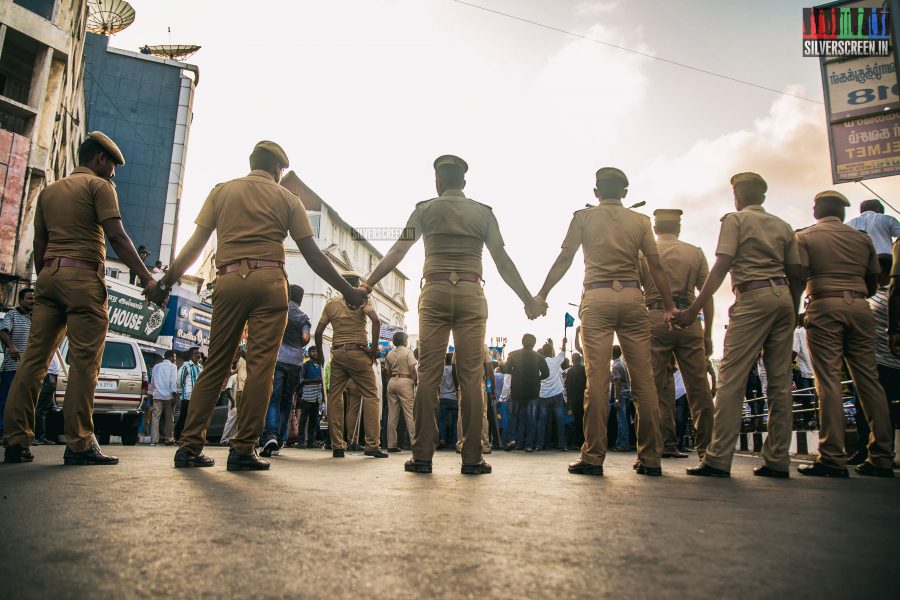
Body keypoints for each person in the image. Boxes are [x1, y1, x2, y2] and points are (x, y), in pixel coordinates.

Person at [144, 140, 368, 471]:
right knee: (263, 368)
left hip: (229, 279)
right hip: (269, 283)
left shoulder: (221, 192)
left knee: (216, 364)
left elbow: (195, 245)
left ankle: (189, 446)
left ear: (251, 163)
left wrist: (165, 282)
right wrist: (347, 292)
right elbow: (313, 254)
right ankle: (243, 449)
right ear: (278, 170)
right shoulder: (287, 198)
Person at [363, 155, 536, 475]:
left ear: (438, 182)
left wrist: (368, 283)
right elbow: (503, 261)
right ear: (464, 183)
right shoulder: (483, 213)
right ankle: (471, 457)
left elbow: (398, 250)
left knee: (428, 374)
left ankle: (422, 456)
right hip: (471, 292)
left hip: (435, 293)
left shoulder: (425, 209)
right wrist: (529, 299)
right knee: (470, 377)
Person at [4, 132, 158, 465]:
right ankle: (79, 443)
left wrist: (47, 277)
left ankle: (16, 440)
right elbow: (116, 235)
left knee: (33, 362)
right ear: (100, 159)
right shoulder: (100, 187)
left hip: (48, 277)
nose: (112, 178)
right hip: (83, 278)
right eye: (111, 170)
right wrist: (146, 277)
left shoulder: (49, 192)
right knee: (85, 364)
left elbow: (41, 244)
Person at [533, 167, 677, 477]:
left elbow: (564, 259)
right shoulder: (640, 221)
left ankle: (594, 456)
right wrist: (668, 306)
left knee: (597, 381)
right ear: (624, 193)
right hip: (632, 297)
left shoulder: (582, 218)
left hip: (597, 298)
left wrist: (543, 293)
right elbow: (655, 266)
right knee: (643, 380)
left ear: (597, 192)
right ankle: (651, 458)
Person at [677, 172, 802, 479]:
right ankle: (777, 459)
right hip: (784, 296)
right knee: (780, 381)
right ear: (763, 195)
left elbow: (722, 265)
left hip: (752, 295)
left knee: (732, 377)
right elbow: (798, 269)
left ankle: (718, 459)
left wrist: (694, 307)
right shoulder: (783, 225)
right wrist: (793, 306)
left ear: (739, 196)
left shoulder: (734, 220)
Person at [795, 191, 894, 478]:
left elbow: (799, 277)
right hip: (861, 307)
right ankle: (882, 456)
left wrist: (793, 311)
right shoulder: (861, 239)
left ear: (816, 210)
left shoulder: (807, 237)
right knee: (869, 382)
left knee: (828, 381)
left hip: (825, 304)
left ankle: (832, 456)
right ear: (842, 212)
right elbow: (873, 281)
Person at [639, 208, 716, 461]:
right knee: (699, 389)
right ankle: (708, 452)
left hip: (655, 317)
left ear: (655, 228)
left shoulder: (643, 253)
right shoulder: (694, 252)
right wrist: (707, 333)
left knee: (651, 390)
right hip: (689, 319)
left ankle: (650, 453)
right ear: (678, 228)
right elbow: (707, 295)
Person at [315, 272, 386, 459]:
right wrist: (373, 349)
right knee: (371, 395)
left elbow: (319, 331)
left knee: (334, 397)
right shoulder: (362, 301)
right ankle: (372, 444)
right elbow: (376, 321)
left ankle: (337, 445)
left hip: (337, 354)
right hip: (359, 354)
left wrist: (321, 355)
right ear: (357, 285)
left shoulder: (331, 304)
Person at [851, 254, 900, 464]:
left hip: (877, 361)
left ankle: (871, 451)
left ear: (879, 272)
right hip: (888, 360)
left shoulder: (874, 299)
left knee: (868, 408)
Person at [260, 284, 311, 456]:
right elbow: (305, 338)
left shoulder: (279, 311)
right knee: (287, 401)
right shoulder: (303, 317)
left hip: (279, 359)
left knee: (274, 398)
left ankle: (270, 435)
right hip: (296, 362)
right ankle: (281, 440)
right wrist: (298, 342)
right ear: (300, 299)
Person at [502, 335, 549, 452]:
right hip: (533, 392)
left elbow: (505, 370)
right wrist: (537, 378)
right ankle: (529, 445)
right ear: (534, 343)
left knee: (514, 416)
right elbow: (546, 373)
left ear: (522, 342)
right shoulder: (539, 357)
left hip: (517, 391)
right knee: (531, 418)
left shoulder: (513, 355)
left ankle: (512, 439)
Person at [0, 288, 35, 437]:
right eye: (29, 298)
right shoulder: (12, 315)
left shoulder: (35, 318)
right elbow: (2, 332)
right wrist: (11, 346)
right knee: (6, 400)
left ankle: (20, 432)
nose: (32, 301)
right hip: (12, 367)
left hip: (28, 368)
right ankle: (2, 430)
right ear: (20, 300)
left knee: (23, 403)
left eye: (34, 299)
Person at [385, 331, 417, 452]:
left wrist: (389, 384)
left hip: (392, 381)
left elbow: (387, 372)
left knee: (392, 416)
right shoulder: (408, 352)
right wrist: (414, 383)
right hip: (405, 380)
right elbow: (412, 370)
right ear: (404, 341)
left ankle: (391, 444)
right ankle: (415, 443)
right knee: (409, 414)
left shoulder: (390, 353)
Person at [538, 338, 569, 451]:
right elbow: (563, 353)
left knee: (542, 421)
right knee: (560, 420)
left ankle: (541, 444)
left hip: (543, 395)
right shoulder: (556, 361)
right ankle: (562, 444)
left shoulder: (539, 363)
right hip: (557, 394)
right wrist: (563, 343)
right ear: (551, 352)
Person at [149, 350, 179, 446]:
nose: (175, 359)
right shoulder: (173, 366)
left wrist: (151, 393)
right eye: (174, 357)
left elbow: (152, 381)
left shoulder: (156, 367)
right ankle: (169, 439)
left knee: (155, 417)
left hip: (157, 395)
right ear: (170, 357)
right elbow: (173, 381)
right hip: (168, 395)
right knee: (169, 418)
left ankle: (154, 440)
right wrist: (174, 394)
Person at [33, 353, 62, 445]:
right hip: (47, 375)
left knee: (45, 408)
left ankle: (41, 436)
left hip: (52, 375)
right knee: (40, 408)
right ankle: (37, 436)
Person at [298, 347, 324, 448]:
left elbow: (322, 382)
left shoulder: (321, 366)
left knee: (314, 420)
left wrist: (323, 398)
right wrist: (314, 381)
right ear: (309, 353)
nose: (315, 353)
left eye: (317, 351)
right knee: (303, 419)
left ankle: (311, 441)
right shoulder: (306, 365)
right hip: (307, 395)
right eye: (313, 351)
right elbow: (301, 380)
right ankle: (300, 441)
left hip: (317, 396)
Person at [174, 347, 202, 441]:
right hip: (187, 396)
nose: (198, 355)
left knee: (195, 419)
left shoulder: (200, 367)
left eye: (199, 353)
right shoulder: (186, 367)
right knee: (184, 417)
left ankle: (191, 437)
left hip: (198, 398)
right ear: (191, 355)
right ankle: (177, 437)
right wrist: (181, 392)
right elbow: (179, 381)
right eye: (196, 353)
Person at [609, 345, 632, 452]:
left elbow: (617, 383)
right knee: (623, 419)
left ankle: (624, 444)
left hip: (621, 395)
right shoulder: (622, 363)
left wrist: (617, 399)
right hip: (627, 393)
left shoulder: (615, 366)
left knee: (621, 420)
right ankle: (619, 443)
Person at [220, 351, 246, 445]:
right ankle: (224, 440)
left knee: (239, 421)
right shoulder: (234, 377)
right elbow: (227, 389)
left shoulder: (249, 360)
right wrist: (235, 361)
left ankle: (234, 439)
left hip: (246, 393)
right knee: (232, 421)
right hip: (235, 400)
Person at [564, 352, 586, 449]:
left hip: (573, 400)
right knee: (583, 420)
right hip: (584, 399)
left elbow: (568, 387)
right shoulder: (584, 370)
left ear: (572, 360)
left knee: (574, 421)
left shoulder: (570, 371)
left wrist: (569, 402)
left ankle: (575, 442)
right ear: (580, 360)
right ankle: (584, 441)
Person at [438, 353, 459, 448]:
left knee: (442, 420)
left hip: (443, 397)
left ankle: (442, 438)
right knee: (455, 420)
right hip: (454, 397)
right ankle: (455, 440)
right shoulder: (455, 370)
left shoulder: (441, 370)